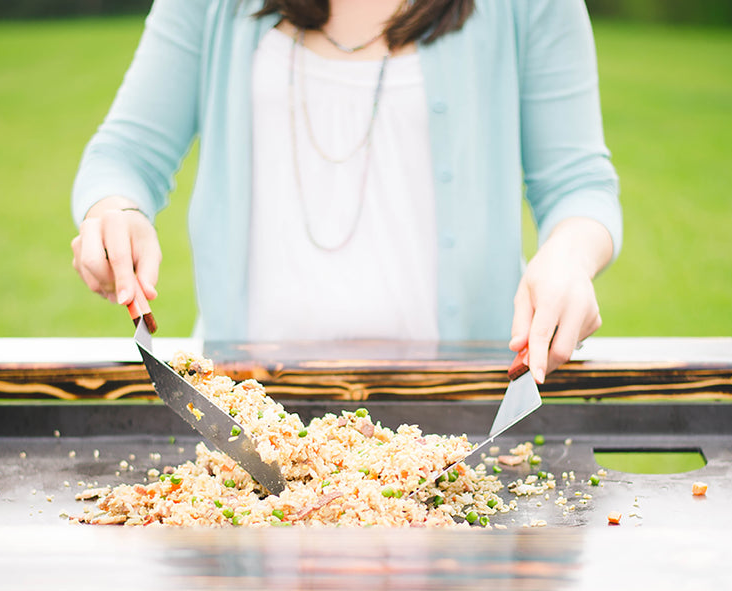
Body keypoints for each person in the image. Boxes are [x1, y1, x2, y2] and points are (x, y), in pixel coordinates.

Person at [71, 0, 621, 384]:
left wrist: (568, 261)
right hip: (248, 424)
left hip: (459, 424)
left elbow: (578, 183)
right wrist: (114, 210)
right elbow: (126, 155)